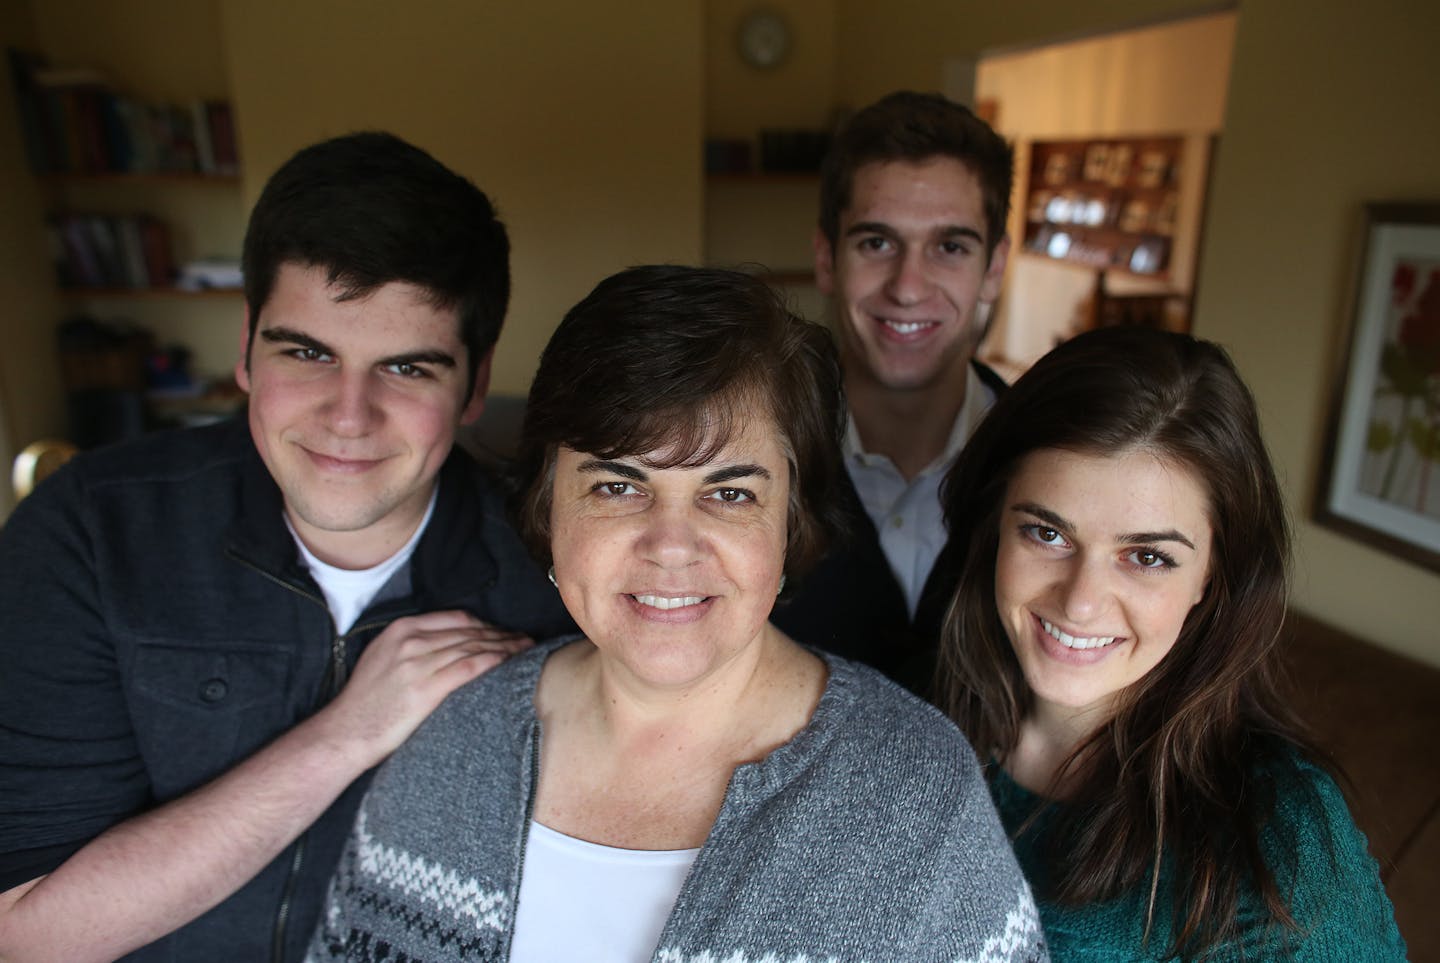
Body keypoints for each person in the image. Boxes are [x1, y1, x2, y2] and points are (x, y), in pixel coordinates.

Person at [308, 265, 1047, 962]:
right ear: (547, 508)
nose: (670, 546)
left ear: (791, 524)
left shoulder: (915, 788)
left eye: (730, 493)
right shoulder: (455, 741)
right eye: (616, 485)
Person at [0, 132, 573, 962]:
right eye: (307, 353)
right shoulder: (91, 532)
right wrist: (347, 733)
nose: (348, 415)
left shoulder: (553, 575)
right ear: (244, 347)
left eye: (408, 368)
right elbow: (24, 931)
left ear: (476, 385)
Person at [935, 326, 1407, 960]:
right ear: (995, 527)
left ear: (1211, 578)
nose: (1080, 601)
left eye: (1148, 556)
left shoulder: (1277, 831)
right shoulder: (916, 718)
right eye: (1047, 534)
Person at [773, 90, 1013, 695]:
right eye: (876, 243)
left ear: (994, 268)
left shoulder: (1050, 462)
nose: (908, 288)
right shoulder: (750, 454)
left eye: (950, 247)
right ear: (827, 259)